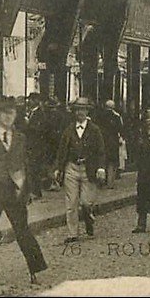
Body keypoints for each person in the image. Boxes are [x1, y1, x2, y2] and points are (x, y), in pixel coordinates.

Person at [0, 97, 47, 286]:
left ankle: (35, 270)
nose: (8, 117)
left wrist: (26, 188)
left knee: (23, 230)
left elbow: (26, 163)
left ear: (15, 115)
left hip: (14, 189)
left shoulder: (20, 138)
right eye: (4, 113)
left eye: (11, 113)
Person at [54, 97, 106, 242]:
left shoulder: (94, 130)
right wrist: (59, 168)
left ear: (87, 111)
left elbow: (101, 150)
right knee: (71, 203)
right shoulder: (69, 130)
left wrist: (101, 168)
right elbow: (62, 150)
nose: (80, 113)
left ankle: (89, 220)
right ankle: (72, 233)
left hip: (88, 168)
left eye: (83, 110)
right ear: (74, 112)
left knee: (85, 202)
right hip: (71, 167)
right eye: (77, 110)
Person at [97, 100, 124, 188]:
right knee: (111, 163)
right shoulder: (116, 117)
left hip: (102, 140)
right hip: (113, 142)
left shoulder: (100, 115)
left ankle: (101, 180)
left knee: (102, 160)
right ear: (113, 107)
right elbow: (120, 129)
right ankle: (110, 182)